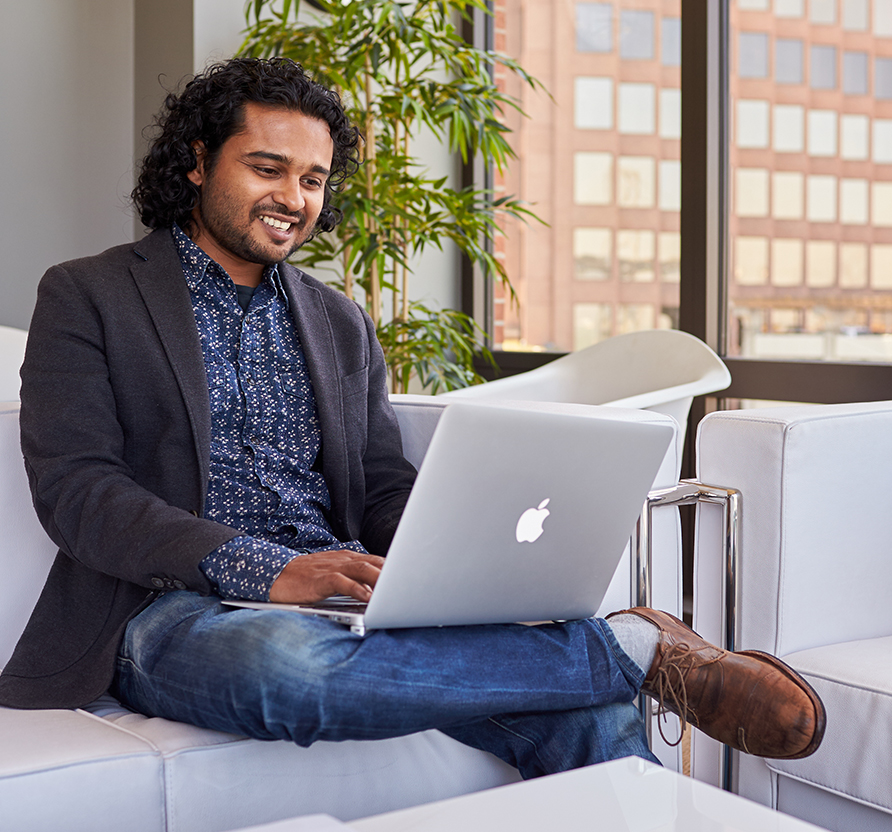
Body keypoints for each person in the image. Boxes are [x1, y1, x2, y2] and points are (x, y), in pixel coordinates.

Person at [0, 57, 824, 776]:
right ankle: (636, 650)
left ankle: (612, 689)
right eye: (267, 168)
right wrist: (269, 571)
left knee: (584, 716)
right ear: (196, 161)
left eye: (313, 180)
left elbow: (382, 481)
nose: (293, 198)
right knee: (289, 672)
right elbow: (80, 490)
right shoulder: (89, 294)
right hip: (172, 604)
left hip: (350, 588)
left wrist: (446, 559)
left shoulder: (339, 320)